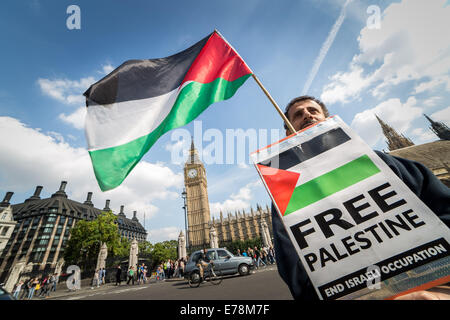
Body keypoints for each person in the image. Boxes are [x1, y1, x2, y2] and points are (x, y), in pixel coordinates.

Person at [273, 95, 450, 300]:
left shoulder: (377, 160)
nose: (307, 115)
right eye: (298, 114)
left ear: (328, 120)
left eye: (313, 111)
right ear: (288, 131)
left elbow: (441, 207)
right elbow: (295, 267)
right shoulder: (285, 188)